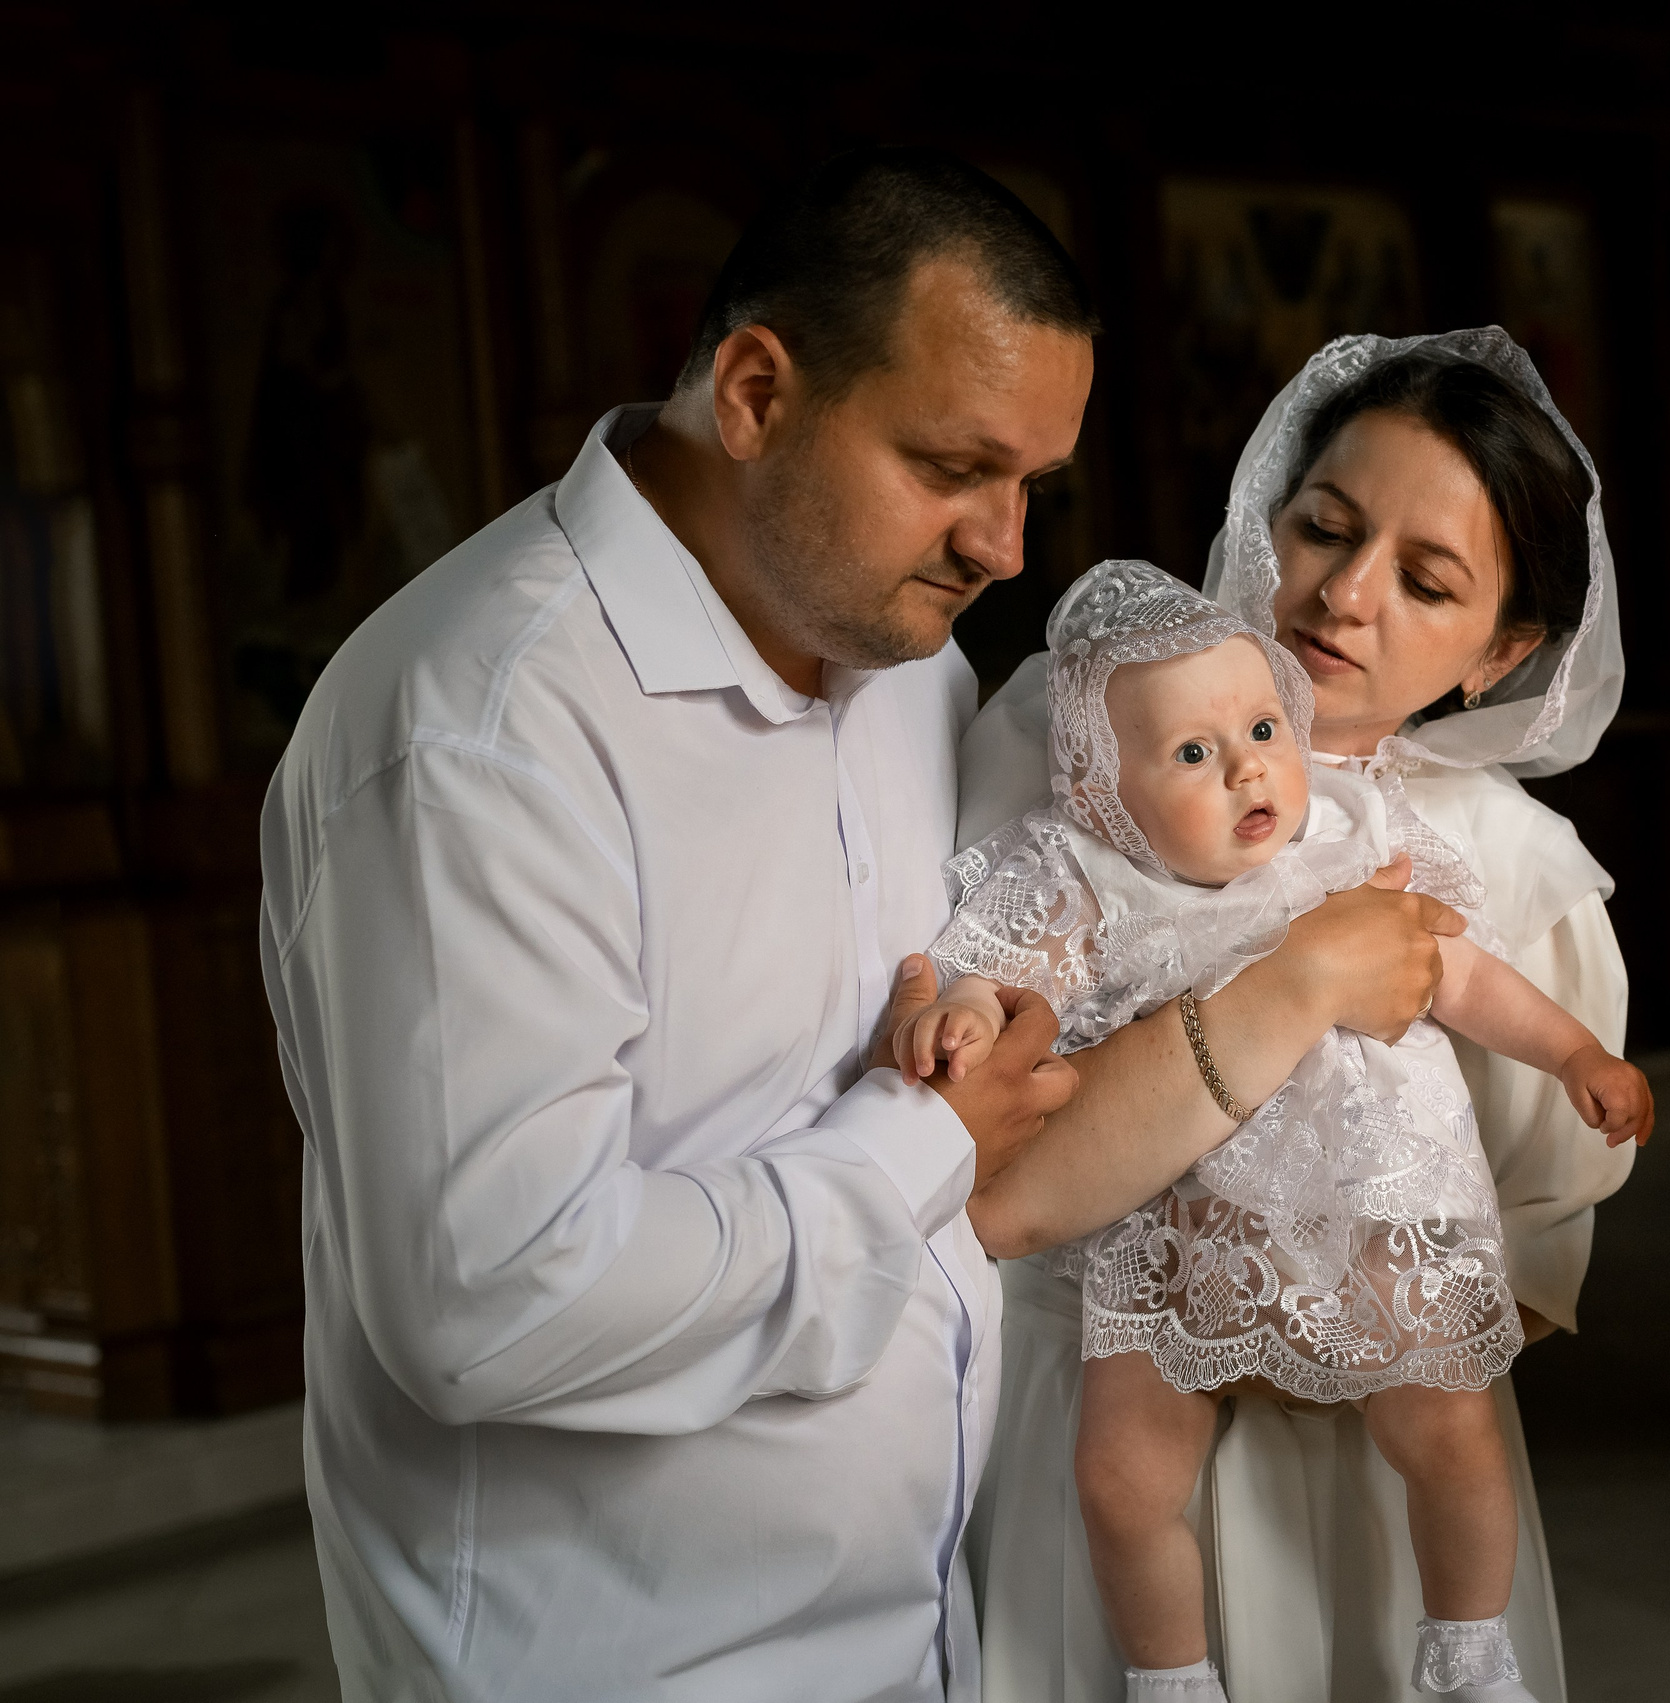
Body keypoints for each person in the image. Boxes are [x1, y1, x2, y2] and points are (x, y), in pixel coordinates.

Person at [256, 148, 1455, 1703]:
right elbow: (491, 1301)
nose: (1004, 547)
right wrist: (925, 1141)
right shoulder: (483, 729)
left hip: (915, 1628)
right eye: (955, 468)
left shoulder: (917, 680)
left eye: (1032, 486)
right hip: (615, 1662)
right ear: (756, 392)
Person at [964, 329, 1635, 1703]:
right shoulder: (1066, 738)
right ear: (1261, 514)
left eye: (1427, 581)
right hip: (1094, 1397)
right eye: (1321, 526)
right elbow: (981, 1111)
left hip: (1372, 1463)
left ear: (1498, 650)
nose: (1341, 593)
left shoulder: (1510, 865)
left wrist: (1331, 1328)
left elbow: (1540, 1228)